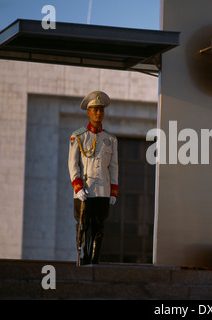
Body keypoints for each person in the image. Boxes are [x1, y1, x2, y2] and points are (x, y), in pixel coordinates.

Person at [68, 91, 118, 265]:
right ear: (88, 112)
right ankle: (82, 257)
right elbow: (73, 165)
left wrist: (113, 191)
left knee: (98, 228)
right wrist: (78, 187)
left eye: (101, 110)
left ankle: (93, 261)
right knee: (83, 226)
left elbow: (113, 167)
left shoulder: (110, 139)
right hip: (85, 190)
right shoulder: (78, 136)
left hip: (102, 190)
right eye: (95, 110)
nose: (98, 113)